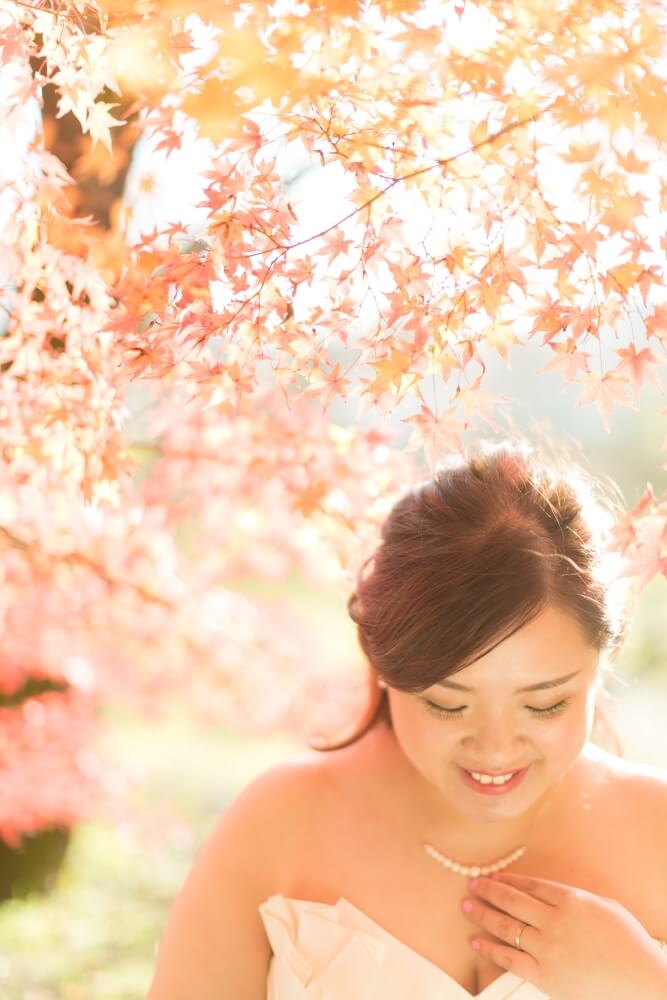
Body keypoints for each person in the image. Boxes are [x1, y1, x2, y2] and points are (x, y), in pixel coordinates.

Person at [146, 440, 667, 1000]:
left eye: (544, 704)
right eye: (448, 703)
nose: (494, 749)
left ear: (601, 661)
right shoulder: (279, 825)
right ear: (385, 664)